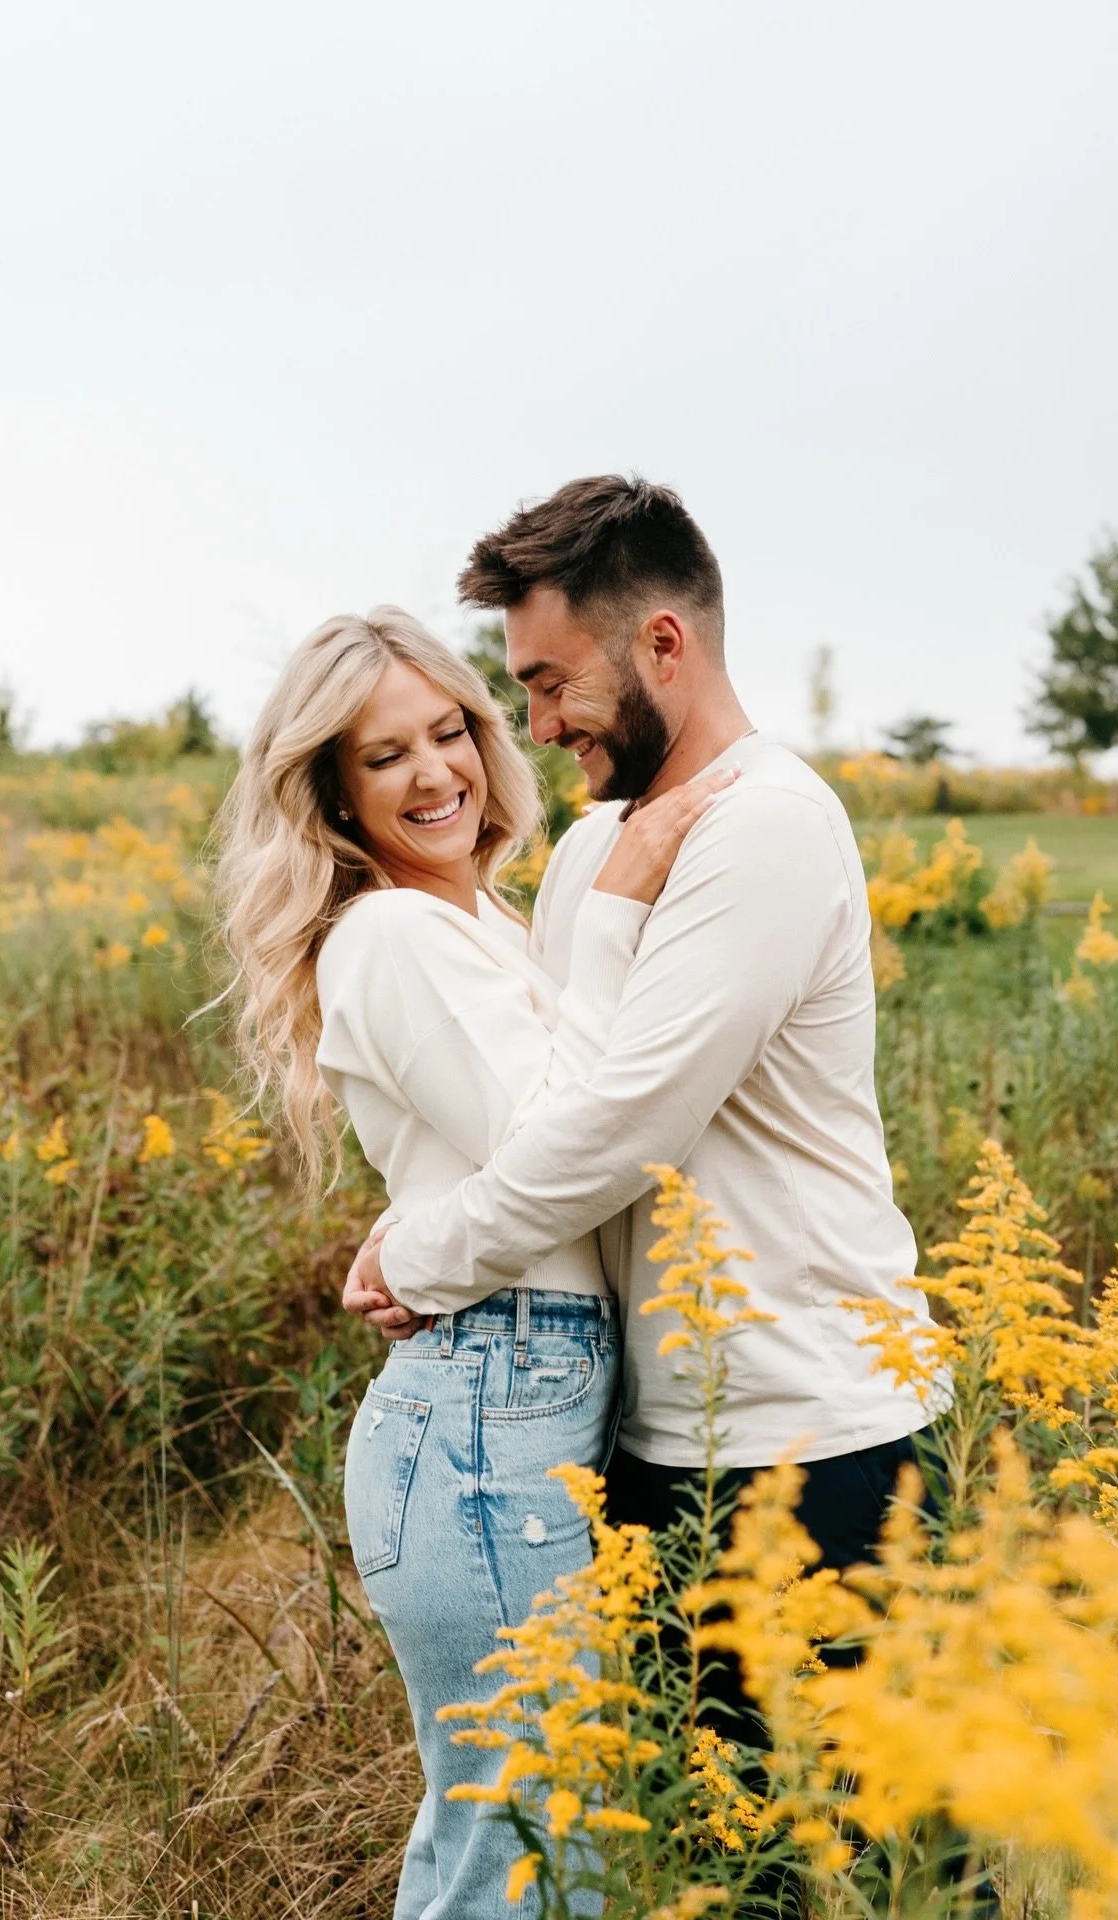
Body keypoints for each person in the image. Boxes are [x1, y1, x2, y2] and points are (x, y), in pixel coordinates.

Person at [211, 606, 735, 1920]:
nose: (436, 772)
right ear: (331, 787)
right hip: (486, 1418)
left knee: (498, 1837)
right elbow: (565, 1138)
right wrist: (617, 903)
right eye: (385, 756)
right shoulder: (393, 934)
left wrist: (424, 1238)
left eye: (451, 730)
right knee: (546, 1842)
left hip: (511, 1398)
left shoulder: (478, 916)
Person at [345, 475, 943, 1588]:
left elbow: (625, 1129)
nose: (537, 725)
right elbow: (543, 1096)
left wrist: (421, 1256)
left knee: (815, 1774)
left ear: (663, 643)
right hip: (651, 1441)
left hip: (807, 1441)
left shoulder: (764, 824)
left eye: (552, 682)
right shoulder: (594, 851)